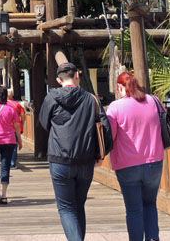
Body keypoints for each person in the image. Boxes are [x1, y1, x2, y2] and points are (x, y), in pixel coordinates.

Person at [40, 62, 110, 241]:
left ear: (58, 80)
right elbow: (106, 128)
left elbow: (43, 122)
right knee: (79, 206)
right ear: (77, 76)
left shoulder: (51, 98)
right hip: (86, 159)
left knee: (66, 208)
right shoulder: (91, 99)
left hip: (59, 159)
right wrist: (102, 154)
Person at [106, 72, 165, 241]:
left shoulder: (115, 107)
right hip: (154, 161)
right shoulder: (154, 101)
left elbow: (111, 135)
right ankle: (153, 238)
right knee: (150, 204)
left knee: (134, 209)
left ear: (119, 87)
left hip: (127, 164)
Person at [6, 93, 26, 169]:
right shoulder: (17, 104)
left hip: (6, 127)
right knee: (14, 146)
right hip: (16, 127)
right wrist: (22, 123)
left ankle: (6, 162)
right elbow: (23, 116)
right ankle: (13, 163)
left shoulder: (3, 104)